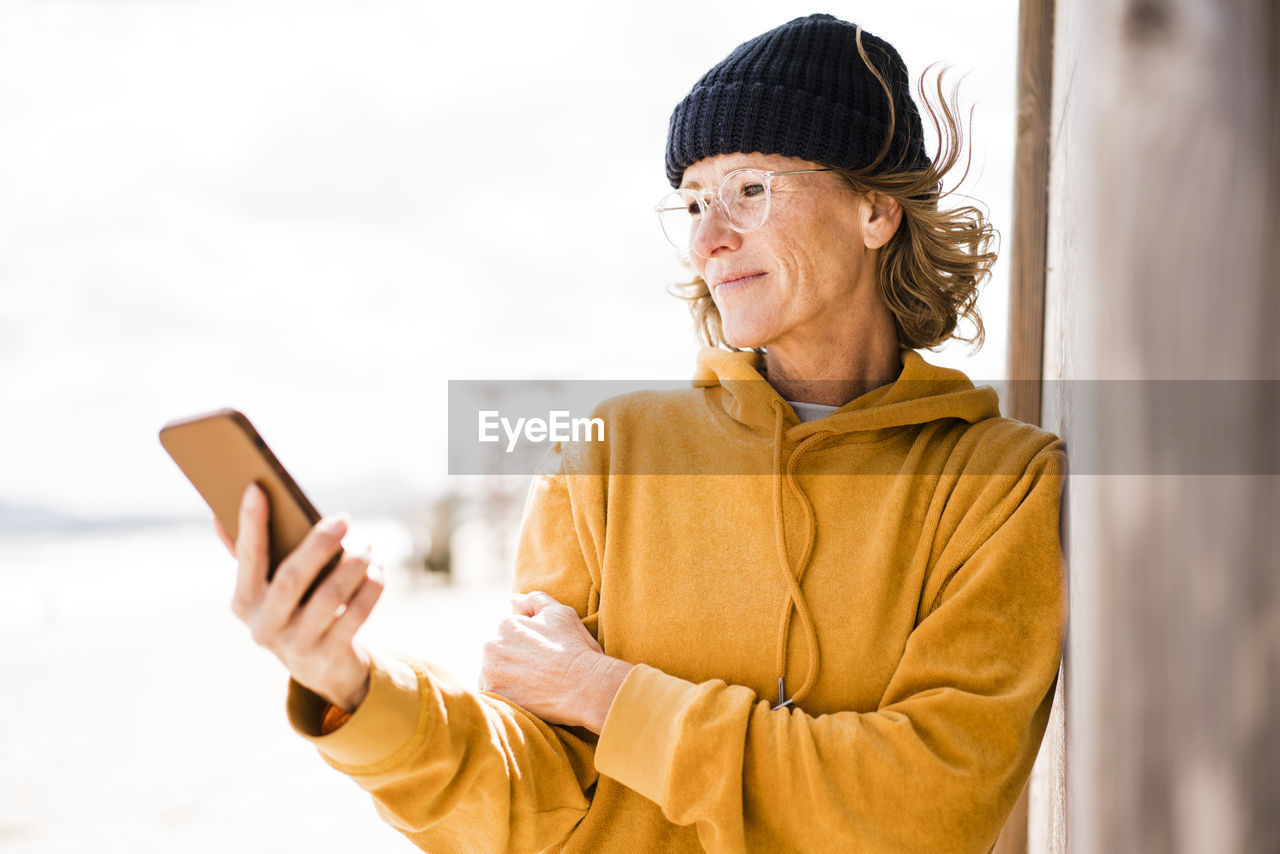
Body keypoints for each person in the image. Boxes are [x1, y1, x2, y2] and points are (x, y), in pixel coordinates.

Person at [220, 14, 1066, 853]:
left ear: (875, 208)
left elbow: (922, 808)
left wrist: (613, 696)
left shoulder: (1000, 483)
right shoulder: (612, 454)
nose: (707, 239)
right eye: (694, 202)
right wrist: (354, 691)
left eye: (749, 190)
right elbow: (530, 798)